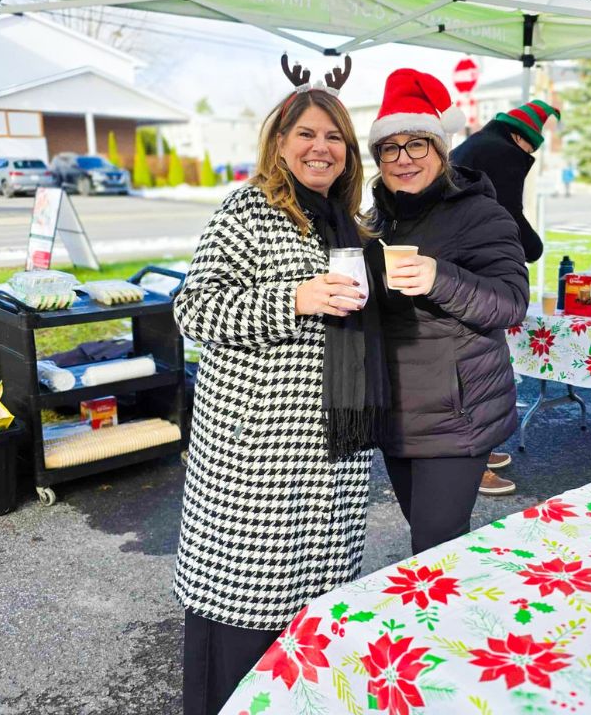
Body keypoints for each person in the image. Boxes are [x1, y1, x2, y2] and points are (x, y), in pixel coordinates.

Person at [172, 55, 388, 715]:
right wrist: (292, 298)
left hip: (337, 438)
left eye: (334, 138)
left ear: (348, 154)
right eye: (307, 135)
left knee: (309, 611)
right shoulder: (249, 211)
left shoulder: (353, 225)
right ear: (280, 143)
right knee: (244, 606)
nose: (321, 148)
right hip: (260, 450)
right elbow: (195, 309)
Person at [367, 67, 529, 553]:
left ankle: (453, 628)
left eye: (417, 144)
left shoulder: (480, 213)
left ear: (440, 150)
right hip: (394, 414)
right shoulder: (377, 220)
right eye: (390, 148)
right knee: (425, 539)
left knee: (436, 546)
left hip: (457, 418)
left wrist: (440, 278)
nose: (403, 159)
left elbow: (510, 301)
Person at [451, 98, 561, 495]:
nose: (530, 154)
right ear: (518, 137)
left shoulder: (476, 146)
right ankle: (471, 462)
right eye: (532, 146)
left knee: (474, 370)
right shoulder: (503, 154)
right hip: (473, 276)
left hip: (457, 267)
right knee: (477, 373)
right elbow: (508, 213)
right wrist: (533, 248)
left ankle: (479, 450)